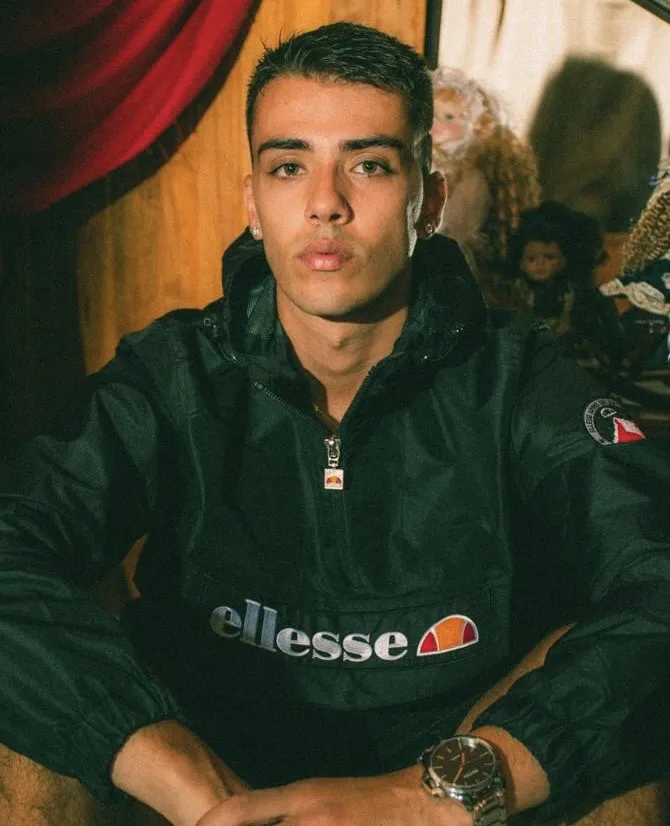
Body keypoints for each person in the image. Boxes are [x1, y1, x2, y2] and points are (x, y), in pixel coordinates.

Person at [0, 20, 669, 826]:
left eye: (369, 164)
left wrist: (439, 795)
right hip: (213, 757)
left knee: (625, 763)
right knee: (31, 730)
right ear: (253, 202)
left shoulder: (519, 380)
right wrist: (192, 784)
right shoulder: (174, 374)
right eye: (289, 166)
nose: (325, 204)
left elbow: (656, 583)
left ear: (429, 202)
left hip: (447, 767)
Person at [430, 67, 540, 281]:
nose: (436, 125)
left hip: (449, 261)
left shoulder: (472, 180)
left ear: (477, 126)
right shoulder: (424, 162)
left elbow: (455, 224)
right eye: (432, 115)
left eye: (449, 117)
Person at [492, 200, 625, 369]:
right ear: (520, 262)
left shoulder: (578, 295)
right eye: (531, 259)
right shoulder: (515, 293)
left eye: (549, 257)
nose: (540, 264)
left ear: (565, 260)